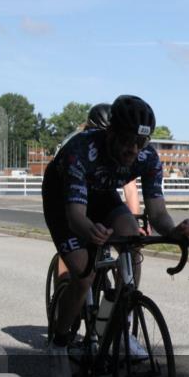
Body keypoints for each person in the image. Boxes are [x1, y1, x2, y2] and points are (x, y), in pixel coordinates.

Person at [42, 95, 189, 377]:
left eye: (141, 143)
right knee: (84, 274)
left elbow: (157, 212)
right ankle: (59, 344)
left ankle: (117, 318)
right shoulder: (81, 149)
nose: (133, 150)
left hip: (100, 194)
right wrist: (90, 231)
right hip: (63, 195)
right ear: (109, 133)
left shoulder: (147, 158)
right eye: (127, 141)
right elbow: (76, 217)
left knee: (131, 241)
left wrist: (173, 231)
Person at [51, 104, 143, 293]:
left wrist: (135, 221)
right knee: (72, 251)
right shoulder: (76, 143)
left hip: (100, 195)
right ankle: (63, 292)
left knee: (126, 243)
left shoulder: (118, 147)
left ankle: (122, 305)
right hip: (70, 193)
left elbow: (130, 187)